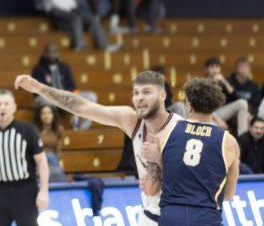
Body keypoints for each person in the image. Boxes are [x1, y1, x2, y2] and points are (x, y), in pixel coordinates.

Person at [15, 69, 181, 226]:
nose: (139, 98)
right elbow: (81, 106)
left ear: (162, 95)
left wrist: (159, 163)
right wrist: (40, 88)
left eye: (146, 92)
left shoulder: (180, 128)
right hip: (147, 217)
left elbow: (198, 178)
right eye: (136, 93)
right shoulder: (131, 121)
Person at [141, 78, 240, 226]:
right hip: (206, 216)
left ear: (189, 105)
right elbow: (228, 194)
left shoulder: (165, 133)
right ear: (215, 106)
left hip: (172, 215)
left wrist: (160, 162)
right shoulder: (229, 142)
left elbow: (152, 187)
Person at [0, 90, 49, 226]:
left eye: (6, 103)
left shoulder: (28, 130)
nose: (3, 107)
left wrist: (44, 190)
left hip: (25, 191)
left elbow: (42, 162)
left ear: (13, 107)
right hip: (0, 191)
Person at [31, 44, 98, 129]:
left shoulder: (64, 67)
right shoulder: (38, 69)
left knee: (91, 96)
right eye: (50, 52)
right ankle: (51, 130)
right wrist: (53, 95)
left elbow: (72, 86)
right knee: (45, 101)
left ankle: (83, 128)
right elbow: (37, 89)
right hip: (47, 97)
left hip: (64, 96)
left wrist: (70, 94)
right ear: (45, 54)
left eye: (55, 52)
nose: (53, 54)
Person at [204, 57, 249, 135]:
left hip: (221, 112)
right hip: (208, 114)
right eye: (212, 67)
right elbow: (204, 106)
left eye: (217, 67)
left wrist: (224, 82)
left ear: (220, 69)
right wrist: (218, 120)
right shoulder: (203, 83)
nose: (214, 70)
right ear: (207, 69)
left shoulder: (224, 82)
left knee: (243, 103)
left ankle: (243, 138)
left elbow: (237, 100)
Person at [33, 105, 67, 182]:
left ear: (53, 115)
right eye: (43, 113)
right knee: (48, 156)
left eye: (49, 113)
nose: (46, 116)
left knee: (51, 157)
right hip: (39, 162)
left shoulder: (59, 130)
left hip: (53, 162)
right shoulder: (34, 131)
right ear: (39, 116)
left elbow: (58, 150)